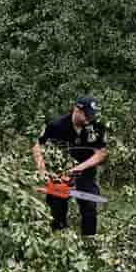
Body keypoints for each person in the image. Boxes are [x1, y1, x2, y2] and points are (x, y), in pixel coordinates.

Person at [32, 95, 108, 236]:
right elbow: (37, 146)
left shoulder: (96, 127)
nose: (88, 118)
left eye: (91, 115)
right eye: (86, 114)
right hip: (59, 174)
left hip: (85, 173)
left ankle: (89, 240)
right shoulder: (56, 126)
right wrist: (42, 169)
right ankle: (59, 239)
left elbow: (101, 153)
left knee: (90, 205)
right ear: (76, 109)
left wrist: (79, 168)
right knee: (56, 209)